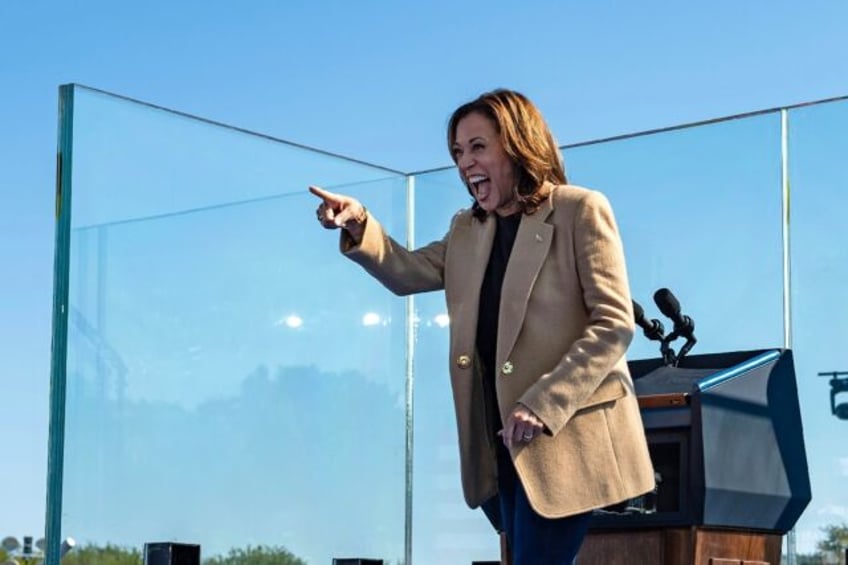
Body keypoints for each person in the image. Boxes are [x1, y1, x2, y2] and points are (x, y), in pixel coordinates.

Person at [310, 89, 654, 564]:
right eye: (456, 152)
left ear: (515, 144)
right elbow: (405, 270)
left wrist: (543, 402)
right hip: (500, 443)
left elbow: (613, 325)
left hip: (563, 436)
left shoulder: (580, 210)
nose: (464, 162)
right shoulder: (467, 230)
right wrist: (360, 222)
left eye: (477, 146)